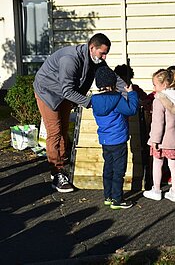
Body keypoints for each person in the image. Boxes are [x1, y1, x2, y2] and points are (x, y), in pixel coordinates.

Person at [33, 33, 126, 193]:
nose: (104, 57)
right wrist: (92, 103)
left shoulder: (95, 59)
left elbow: (112, 77)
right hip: (47, 92)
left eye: (106, 54)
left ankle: (61, 162)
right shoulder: (70, 59)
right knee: (54, 132)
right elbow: (67, 91)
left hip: (63, 93)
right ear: (92, 48)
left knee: (63, 130)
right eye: (102, 53)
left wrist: (130, 93)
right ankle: (57, 173)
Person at [91, 66, 139, 209]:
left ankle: (108, 196)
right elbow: (131, 110)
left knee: (108, 168)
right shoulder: (117, 99)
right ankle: (117, 200)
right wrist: (131, 94)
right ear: (113, 83)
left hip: (105, 140)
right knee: (119, 170)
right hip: (118, 140)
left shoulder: (94, 100)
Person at [143, 69, 175, 202]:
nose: (154, 88)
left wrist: (154, 140)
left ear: (164, 85)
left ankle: (156, 190)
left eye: (155, 85)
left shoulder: (159, 100)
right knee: (174, 165)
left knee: (157, 163)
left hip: (162, 140)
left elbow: (158, 122)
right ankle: (174, 192)